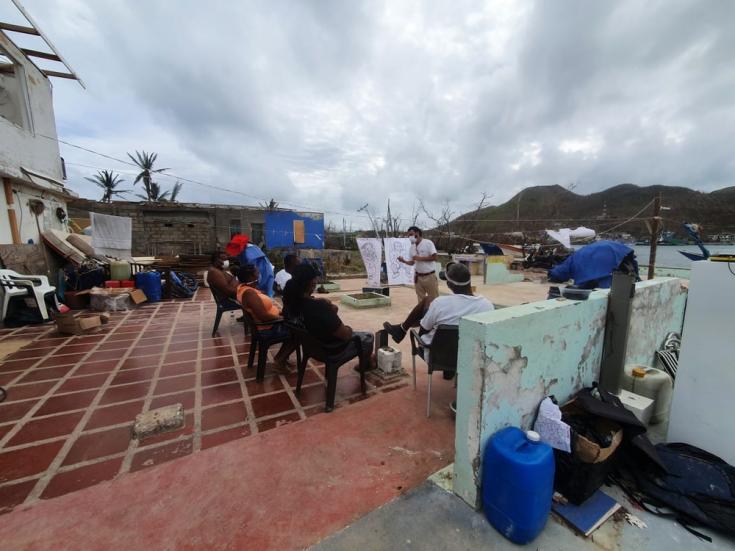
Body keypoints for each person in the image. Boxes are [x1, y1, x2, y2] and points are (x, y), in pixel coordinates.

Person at [282, 264, 373, 372]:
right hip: (331, 349)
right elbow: (345, 335)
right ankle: (363, 366)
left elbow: (317, 309)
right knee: (368, 337)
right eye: (315, 278)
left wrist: (325, 306)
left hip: (312, 348)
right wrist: (349, 329)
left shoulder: (290, 304)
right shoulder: (318, 308)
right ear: (311, 283)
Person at [383, 262, 494, 345]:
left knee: (428, 301)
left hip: (436, 353)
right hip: (468, 354)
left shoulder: (439, 303)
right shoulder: (487, 305)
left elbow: (424, 329)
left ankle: (401, 329)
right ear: (469, 281)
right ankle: (401, 329)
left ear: (449, 285)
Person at [237, 264, 295, 372]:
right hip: (267, 329)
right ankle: (279, 360)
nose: (260, 274)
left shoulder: (245, 288)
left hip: (269, 324)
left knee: (295, 324)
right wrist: (281, 318)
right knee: (298, 332)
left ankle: (282, 357)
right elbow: (263, 316)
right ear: (251, 276)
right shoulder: (249, 293)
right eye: (257, 272)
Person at [398, 226, 439, 303]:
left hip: (429, 276)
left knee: (434, 299)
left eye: (411, 234)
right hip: (418, 277)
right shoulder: (412, 248)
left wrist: (420, 258)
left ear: (417, 233)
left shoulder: (428, 243)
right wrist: (403, 261)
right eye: (409, 235)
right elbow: (412, 262)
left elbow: (435, 258)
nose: (410, 237)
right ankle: (423, 314)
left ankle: (435, 314)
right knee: (421, 300)